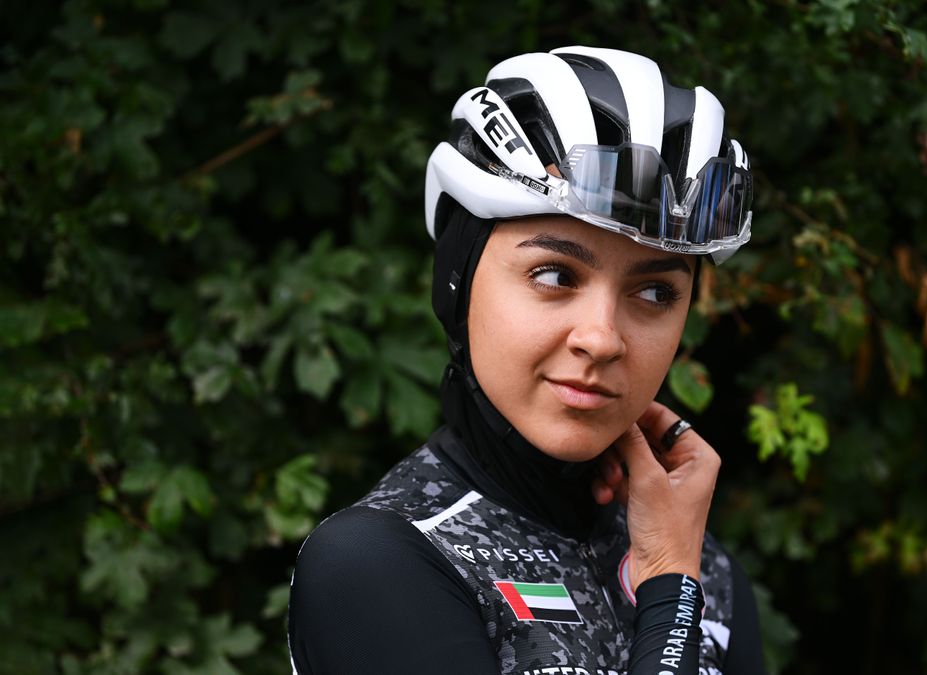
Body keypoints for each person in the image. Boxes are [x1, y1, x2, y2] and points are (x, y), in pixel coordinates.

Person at [287, 46, 763, 674]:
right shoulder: (373, 561)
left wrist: (679, 569)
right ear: (458, 282)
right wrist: (671, 593)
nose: (603, 339)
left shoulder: (714, 574)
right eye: (554, 275)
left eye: (655, 292)